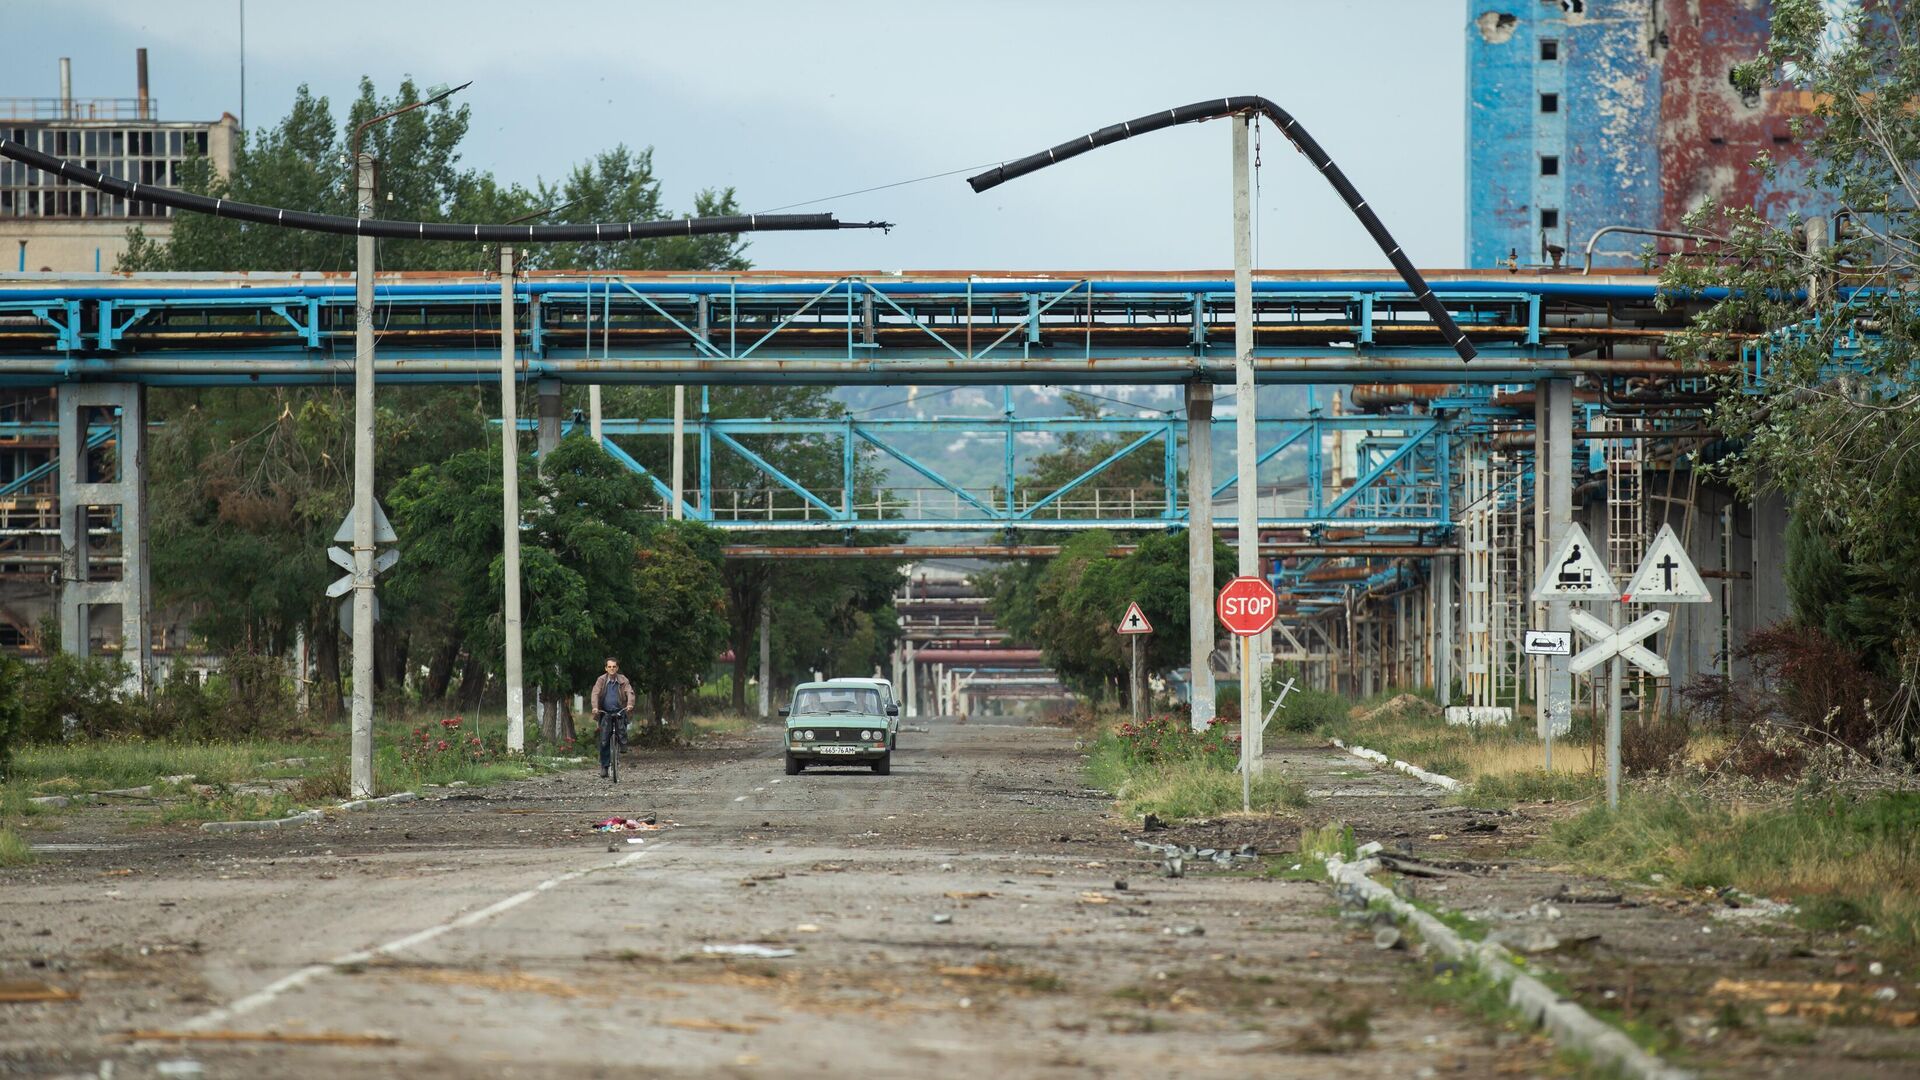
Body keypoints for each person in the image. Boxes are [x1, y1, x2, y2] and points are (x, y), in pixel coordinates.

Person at [589, 657, 636, 779]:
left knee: (622, 729)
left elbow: (629, 692)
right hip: (605, 712)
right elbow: (595, 694)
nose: (612, 669)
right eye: (609, 667)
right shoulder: (601, 680)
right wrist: (595, 707)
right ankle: (605, 766)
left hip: (619, 710)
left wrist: (630, 704)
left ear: (617, 668)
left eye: (614, 666)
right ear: (606, 668)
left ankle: (622, 744)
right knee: (604, 740)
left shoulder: (623, 679)